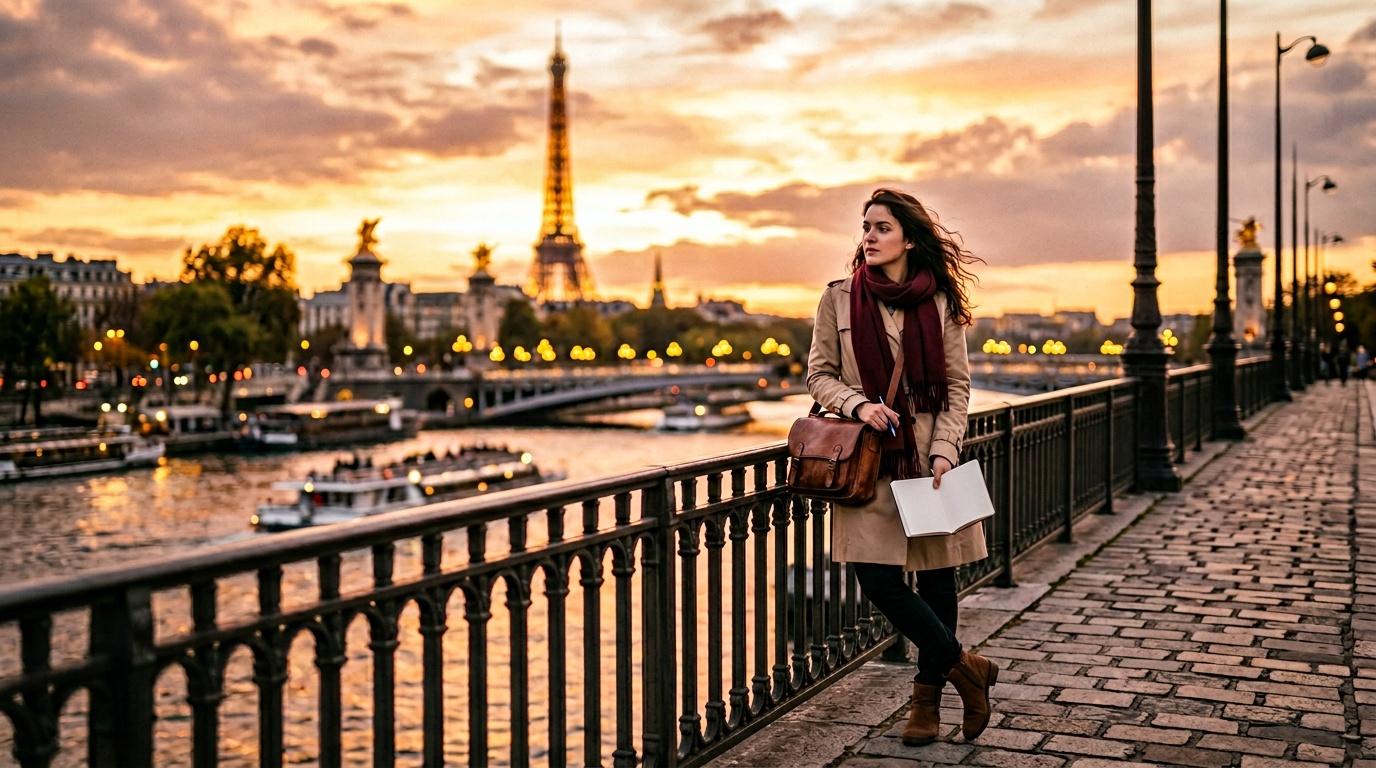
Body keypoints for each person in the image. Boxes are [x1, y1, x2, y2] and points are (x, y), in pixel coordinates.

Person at [807, 188, 996, 746]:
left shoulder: (938, 302)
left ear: (909, 239)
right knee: (877, 579)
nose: (869, 236)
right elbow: (818, 375)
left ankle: (926, 701)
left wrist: (945, 449)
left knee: (937, 578)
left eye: (882, 227)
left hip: (927, 459)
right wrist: (857, 405)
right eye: (866, 226)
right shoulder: (839, 297)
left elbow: (956, 387)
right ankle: (966, 667)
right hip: (869, 461)